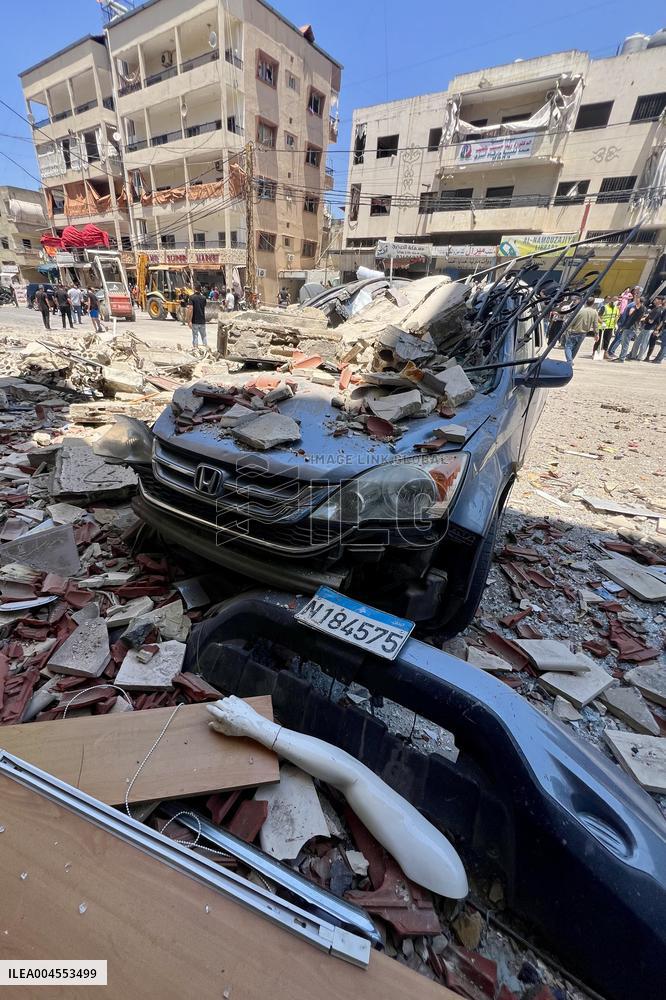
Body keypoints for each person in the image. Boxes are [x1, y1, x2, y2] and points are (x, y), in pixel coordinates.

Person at [610, 292, 645, 362]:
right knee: (624, 343)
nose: (635, 300)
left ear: (640, 301)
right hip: (630, 327)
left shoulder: (640, 308)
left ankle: (622, 358)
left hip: (631, 327)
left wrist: (636, 297)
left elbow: (631, 313)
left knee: (625, 343)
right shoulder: (639, 307)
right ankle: (621, 357)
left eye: (637, 299)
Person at [563, 296, 598, 363]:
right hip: (583, 333)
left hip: (574, 332)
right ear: (593, 303)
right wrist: (596, 334)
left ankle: (569, 361)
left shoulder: (580, 311)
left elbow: (572, 321)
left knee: (568, 347)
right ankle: (570, 361)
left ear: (585, 302)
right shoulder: (594, 312)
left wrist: (566, 329)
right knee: (576, 348)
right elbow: (595, 324)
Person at [634, 297, 664, 361]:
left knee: (644, 344)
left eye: (656, 299)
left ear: (660, 301)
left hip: (650, 328)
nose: (654, 300)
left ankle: (639, 357)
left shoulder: (658, 310)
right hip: (647, 328)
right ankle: (635, 356)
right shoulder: (655, 308)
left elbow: (651, 321)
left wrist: (645, 319)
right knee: (639, 342)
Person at [187, 282, 208, 348]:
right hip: (202, 320)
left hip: (195, 320)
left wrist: (189, 320)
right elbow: (203, 306)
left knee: (195, 336)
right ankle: (206, 349)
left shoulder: (191, 297)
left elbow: (190, 309)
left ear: (194, 288)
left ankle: (195, 349)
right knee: (204, 336)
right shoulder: (204, 298)